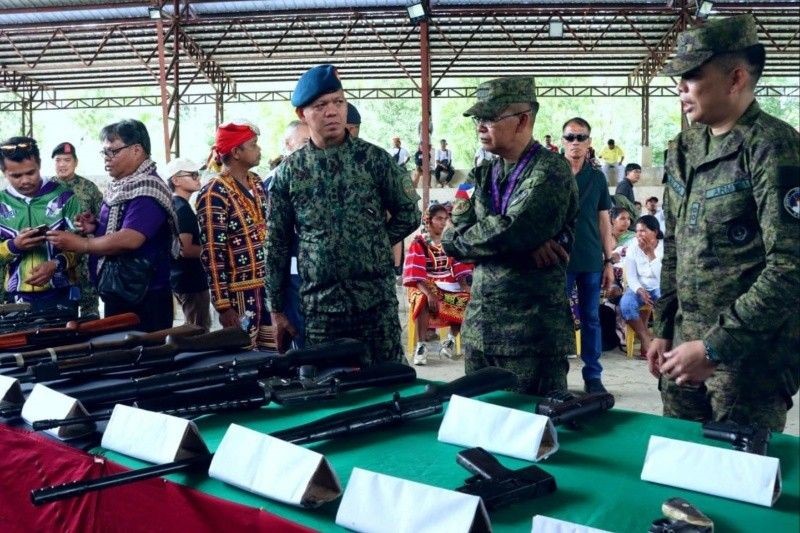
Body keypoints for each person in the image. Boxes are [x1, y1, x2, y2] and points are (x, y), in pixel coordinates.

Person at [649, 14, 800, 432]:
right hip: (683, 353)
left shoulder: (773, 146)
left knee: (739, 484)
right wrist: (664, 328)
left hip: (748, 364)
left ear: (735, 79)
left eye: (692, 76)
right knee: (680, 469)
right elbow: (675, 245)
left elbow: (790, 267)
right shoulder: (683, 148)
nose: (680, 87)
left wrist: (715, 348)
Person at [266, 64, 420, 363]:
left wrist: (373, 243)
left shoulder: (374, 160)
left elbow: (408, 211)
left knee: (387, 386)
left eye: (339, 102)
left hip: (375, 304)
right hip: (320, 309)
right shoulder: (290, 172)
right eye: (321, 105)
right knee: (327, 389)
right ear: (303, 114)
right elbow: (277, 242)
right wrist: (276, 308)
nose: (333, 112)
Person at [442, 76, 578, 395]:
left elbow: (513, 229)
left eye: (490, 118)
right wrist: (518, 244)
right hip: (479, 330)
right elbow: (451, 236)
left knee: (528, 433)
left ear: (522, 120)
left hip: (530, 335)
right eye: (479, 118)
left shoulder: (550, 171)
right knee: (477, 429)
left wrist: (510, 236)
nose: (480, 126)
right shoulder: (479, 174)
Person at [47, 119, 180, 332]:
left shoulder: (147, 188)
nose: (107, 159)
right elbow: (121, 225)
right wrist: (97, 227)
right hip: (122, 290)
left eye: (112, 152)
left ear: (136, 150)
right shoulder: (124, 186)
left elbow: (130, 238)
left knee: (143, 357)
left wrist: (82, 244)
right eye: (104, 153)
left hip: (144, 296)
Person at [196, 120, 274, 350]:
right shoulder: (214, 192)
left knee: (273, 354)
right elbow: (212, 252)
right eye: (253, 145)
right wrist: (223, 305)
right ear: (236, 152)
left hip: (267, 288)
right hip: (239, 295)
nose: (259, 150)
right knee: (242, 357)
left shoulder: (257, 183)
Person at [561, 117, 616, 393]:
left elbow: (604, 220)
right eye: (570, 137)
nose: (575, 143)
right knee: (558, 318)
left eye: (581, 137)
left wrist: (609, 261)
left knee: (591, 318)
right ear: (562, 141)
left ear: (589, 142)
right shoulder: (553, 175)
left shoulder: (597, 178)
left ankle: (593, 376)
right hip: (558, 261)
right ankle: (557, 375)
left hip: (592, 260)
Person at [0, 137, 82, 312]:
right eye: (16, 176)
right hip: (16, 298)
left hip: (62, 293)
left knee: (64, 340)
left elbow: (82, 245)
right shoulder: (1, 203)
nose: (25, 181)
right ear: (3, 172)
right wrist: (14, 246)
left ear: (40, 164)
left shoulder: (64, 197)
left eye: (31, 172)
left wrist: (56, 264)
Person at [403, 203, 472, 365]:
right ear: (429, 221)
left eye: (446, 219)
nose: (443, 222)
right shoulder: (420, 242)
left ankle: (450, 340)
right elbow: (416, 275)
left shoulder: (450, 241)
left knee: (466, 297)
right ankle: (421, 346)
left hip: (447, 282)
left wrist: (464, 286)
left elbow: (458, 266)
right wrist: (429, 293)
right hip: (423, 283)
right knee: (423, 299)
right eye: (439, 219)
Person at [51, 142, 103, 317]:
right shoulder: (46, 189)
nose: (62, 164)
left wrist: (91, 224)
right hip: (57, 257)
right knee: (62, 311)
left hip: (85, 257)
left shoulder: (89, 188)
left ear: (75, 162)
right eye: (58, 160)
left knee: (90, 312)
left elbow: (102, 220)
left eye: (67, 160)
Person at [167, 157, 211, 331]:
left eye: (197, 174)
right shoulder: (182, 208)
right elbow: (185, 249)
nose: (197, 178)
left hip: (180, 278)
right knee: (198, 331)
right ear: (175, 180)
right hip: (191, 281)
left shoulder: (173, 204)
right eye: (192, 175)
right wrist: (213, 250)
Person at [621, 215, 663, 358]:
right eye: (637, 231)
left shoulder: (665, 246)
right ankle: (646, 340)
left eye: (643, 231)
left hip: (659, 285)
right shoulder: (633, 246)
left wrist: (650, 253)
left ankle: (661, 343)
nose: (639, 234)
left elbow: (662, 277)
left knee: (668, 304)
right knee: (626, 304)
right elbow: (631, 276)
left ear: (655, 232)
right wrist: (639, 290)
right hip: (639, 286)